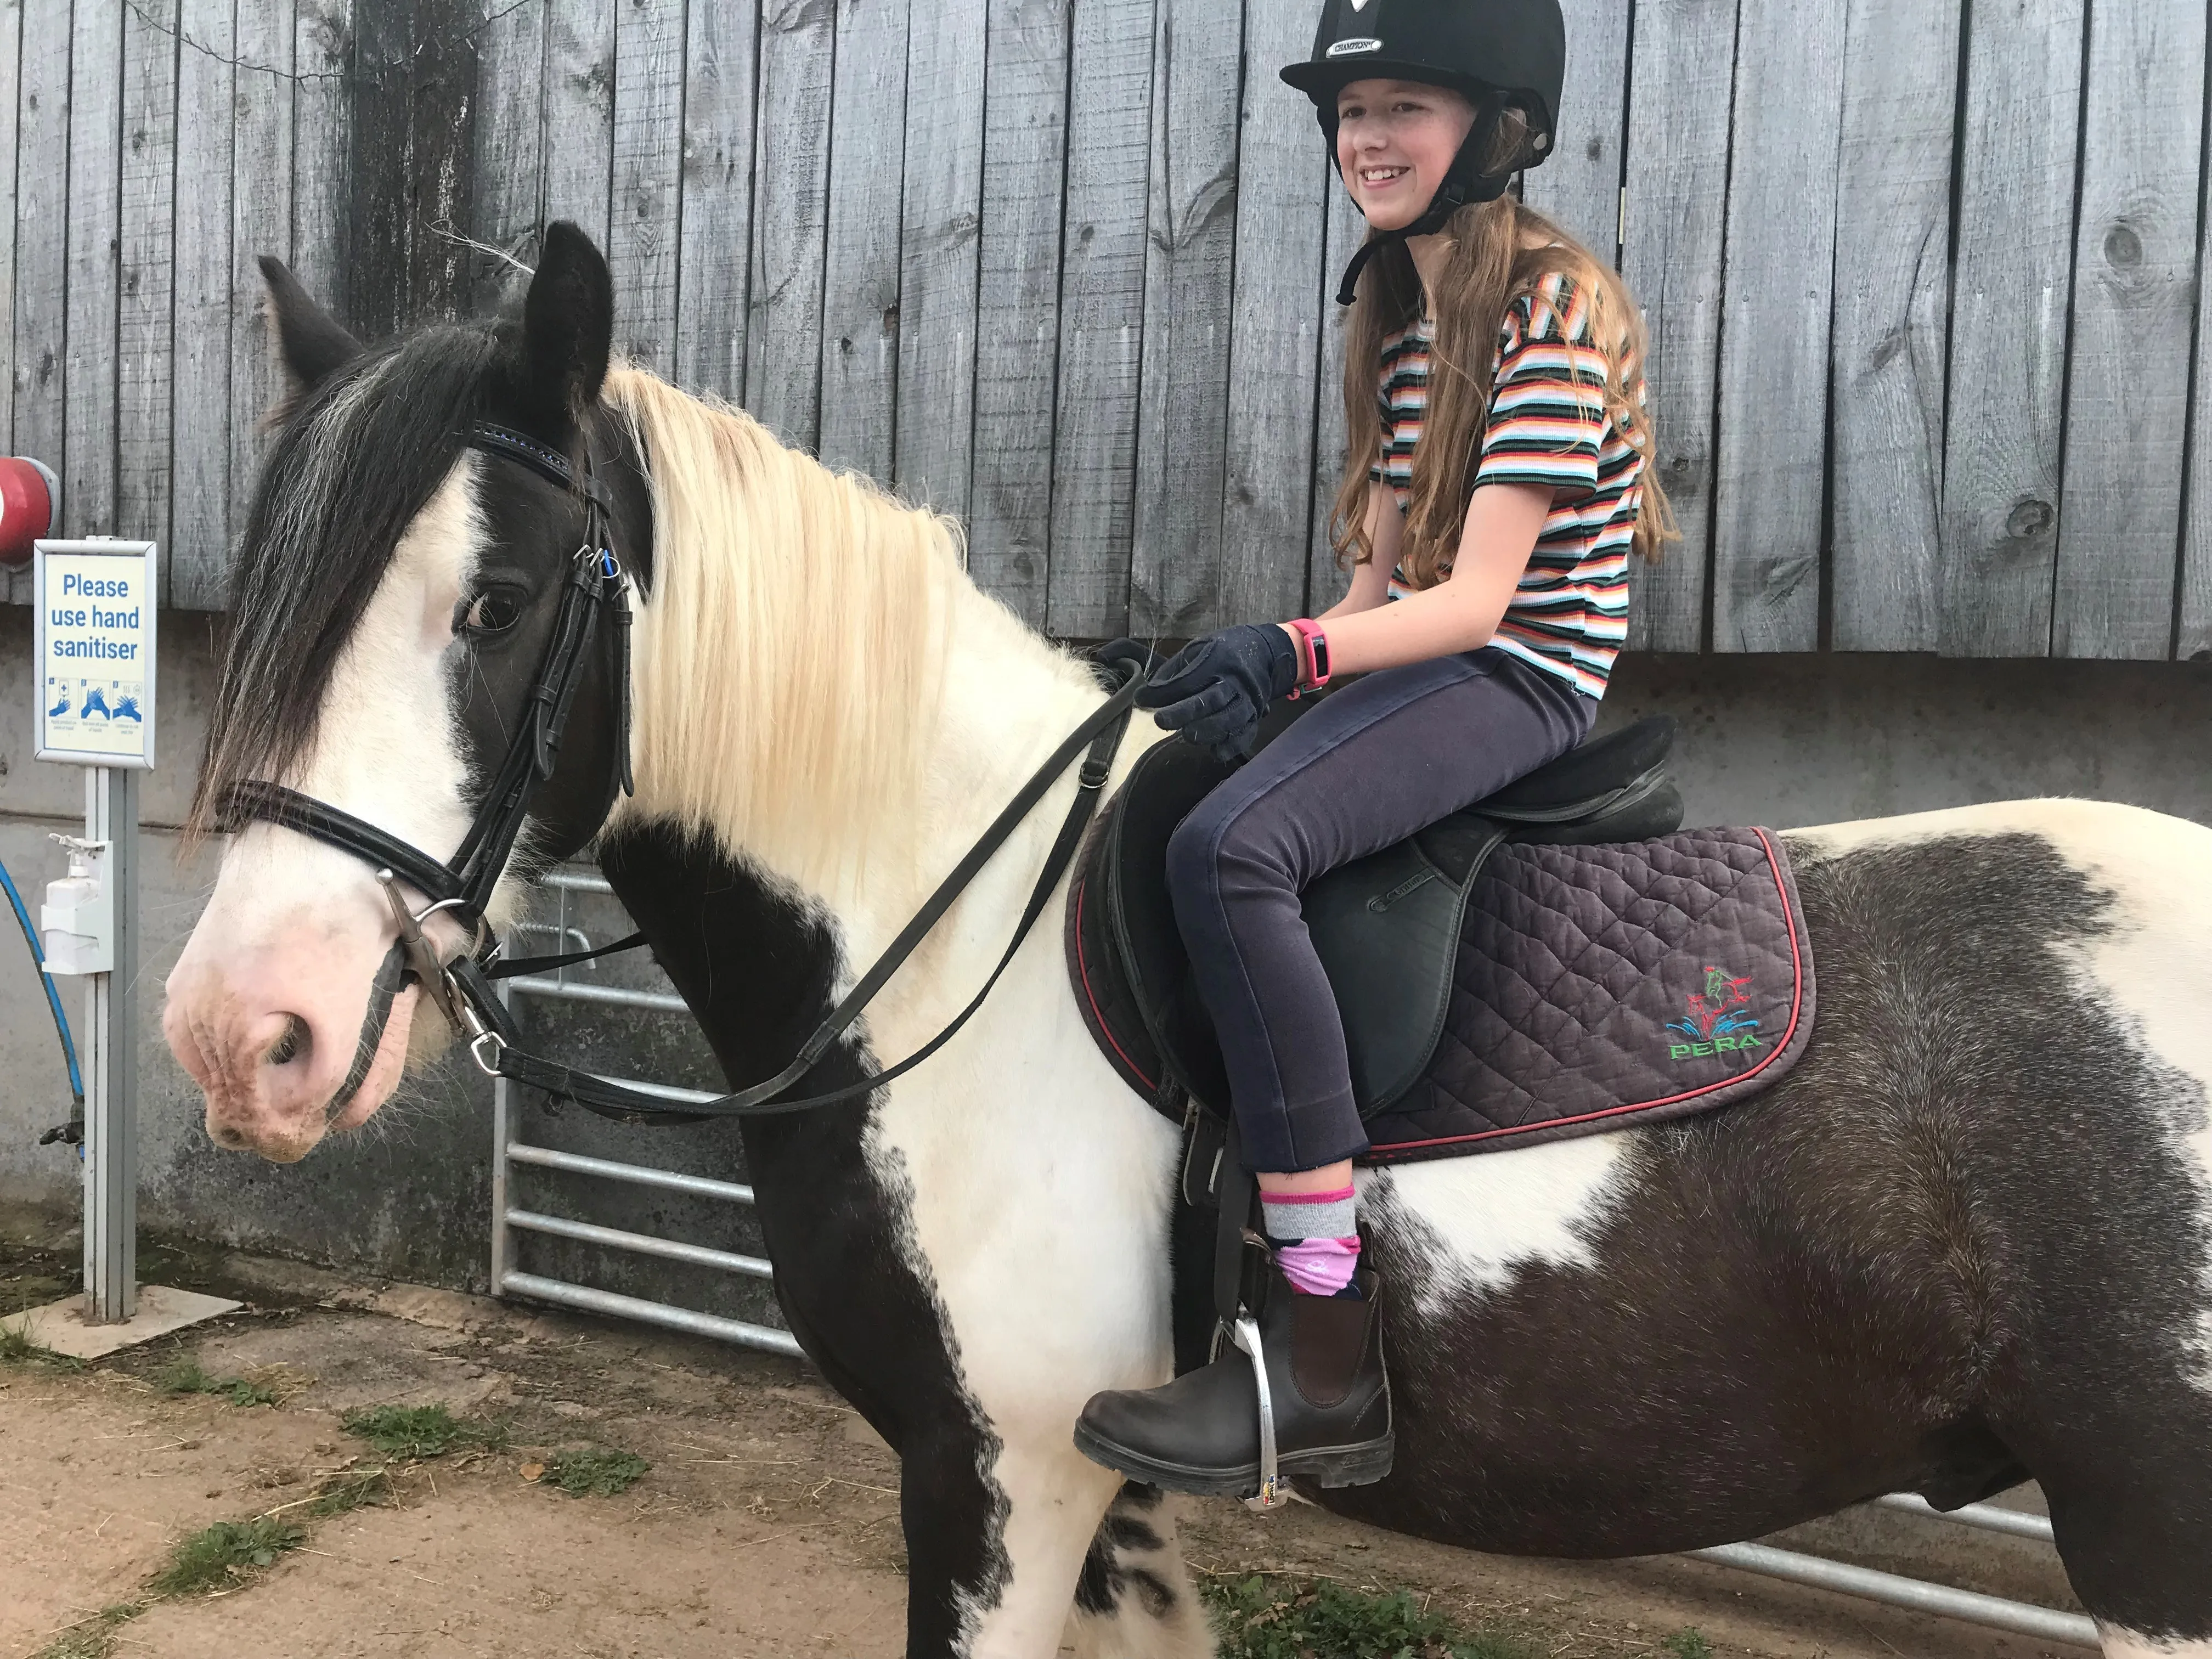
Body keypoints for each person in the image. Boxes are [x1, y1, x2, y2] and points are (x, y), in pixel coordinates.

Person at [1074, 0, 1674, 1499]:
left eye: (1403, 107)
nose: (1365, 140)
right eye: (1350, 113)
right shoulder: (1405, 314)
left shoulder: (1553, 308)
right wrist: (1255, 669)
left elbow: (1477, 603)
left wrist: (1301, 656)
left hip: (1521, 673)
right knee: (1169, 795)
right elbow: (1379, 584)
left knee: (1238, 850)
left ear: (1497, 128)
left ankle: (1328, 1350)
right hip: (1430, 652)